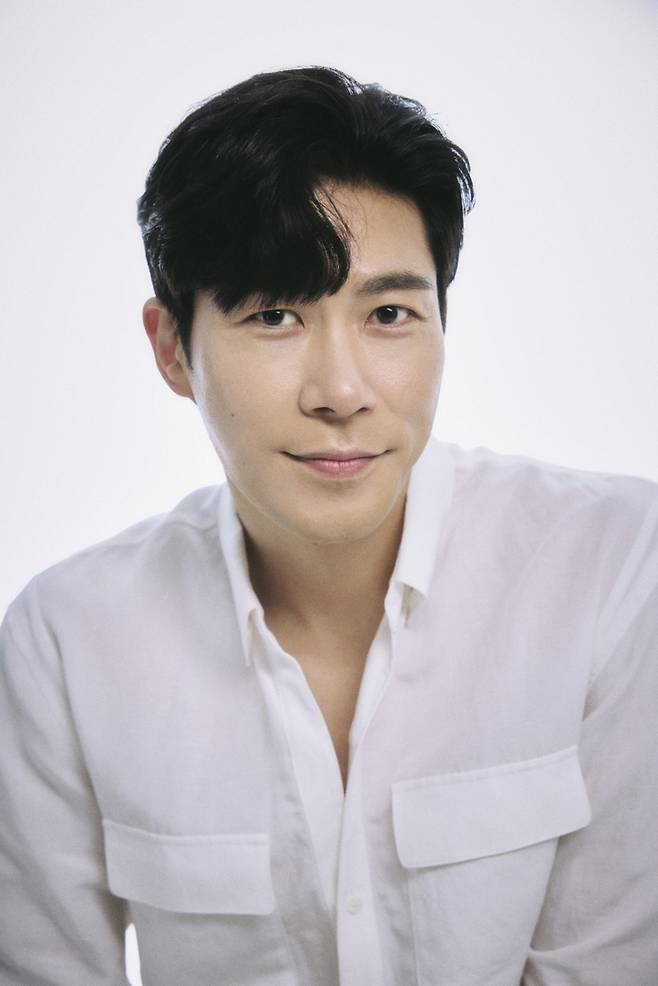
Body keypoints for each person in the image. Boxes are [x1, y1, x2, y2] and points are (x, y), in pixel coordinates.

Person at [1, 65, 656, 986]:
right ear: (171, 348)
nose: (341, 392)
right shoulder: (66, 641)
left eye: (389, 313)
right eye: (275, 315)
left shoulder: (616, 568)